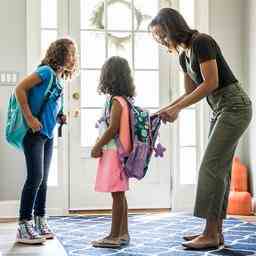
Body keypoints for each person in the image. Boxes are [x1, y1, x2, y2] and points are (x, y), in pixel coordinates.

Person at [149, 8, 252, 249]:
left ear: (173, 27)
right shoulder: (183, 56)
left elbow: (211, 82)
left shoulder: (201, 42)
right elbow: (189, 93)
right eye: (158, 37)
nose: (163, 40)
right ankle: (215, 232)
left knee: (211, 167)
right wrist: (165, 109)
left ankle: (210, 233)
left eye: (163, 34)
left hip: (235, 106)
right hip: (220, 109)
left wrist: (176, 109)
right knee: (220, 170)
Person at [15, 38, 78, 244]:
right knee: (35, 178)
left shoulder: (58, 78)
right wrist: (30, 118)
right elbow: (20, 89)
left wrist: (59, 115)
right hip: (34, 134)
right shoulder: (45, 72)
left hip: (47, 134)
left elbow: (49, 102)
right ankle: (24, 225)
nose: (73, 58)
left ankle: (40, 219)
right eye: (70, 53)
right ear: (59, 54)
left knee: (43, 180)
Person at [91, 56, 134, 249]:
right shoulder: (124, 99)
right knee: (119, 194)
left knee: (117, 194)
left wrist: (97, 145)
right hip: (119, 153)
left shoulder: (116, 101)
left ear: (109, 77)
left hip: (114, 153)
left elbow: (113, 128)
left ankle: (114, 236)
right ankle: (123, 233)